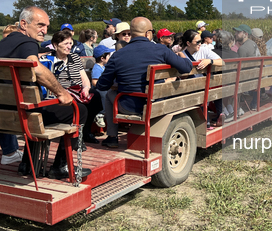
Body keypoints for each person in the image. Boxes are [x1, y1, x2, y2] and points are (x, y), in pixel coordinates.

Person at [0, 6, 90, 179]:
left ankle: (27, 163)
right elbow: (37, 68)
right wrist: (61, 92)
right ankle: (61, 166)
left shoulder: (5, 42)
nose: (45, 30)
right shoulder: (27, 42)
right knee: (79, 110)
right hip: (18, 116)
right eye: (40, 25)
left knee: (35, 108)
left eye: (47, 26)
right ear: (23, 24)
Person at [96, 17, 194, 148]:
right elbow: (187, 68)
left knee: (109, 95)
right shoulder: (161, 50)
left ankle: (112, 137)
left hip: (129, 107)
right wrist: (185, 58)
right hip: (156, 103)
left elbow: (102, 85)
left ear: (131, 33)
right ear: (148, 33)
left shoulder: (118, 55)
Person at [47, 30, 103, 145]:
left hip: (77, 90)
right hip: (62, 92)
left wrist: (86, 88)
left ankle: (85, 132)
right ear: (56, 45)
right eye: (66, 44)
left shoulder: (74, 58)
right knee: (78, 105)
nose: (69, 47)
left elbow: (84, 78)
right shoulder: (50, 59)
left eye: (70, 43)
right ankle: (76, 137)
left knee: (95, 97)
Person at [179, 29, 224, 126]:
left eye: (200, 41)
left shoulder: (204, 50)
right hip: (192, 87)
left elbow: (222, 62)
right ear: (188, 43)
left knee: (216, 86)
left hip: (203, 86)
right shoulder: (182, 55)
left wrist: (210, 61)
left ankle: (216, 115)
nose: (200, 44)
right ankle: (209, 118)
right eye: (197, 42)